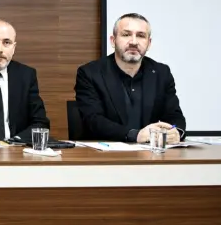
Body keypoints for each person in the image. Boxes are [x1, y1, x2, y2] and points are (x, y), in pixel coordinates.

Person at [75, 13, 184, 142]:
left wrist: (176, 132)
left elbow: (174, 115)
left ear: (149, 43)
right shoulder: (90, 73)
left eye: (141, 36)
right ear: (113, 40)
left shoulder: (162, 73)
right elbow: (93, 120)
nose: (133, 42)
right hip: (106, 151)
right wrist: (135, 135)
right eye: (126, 35)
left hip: (151, 151)